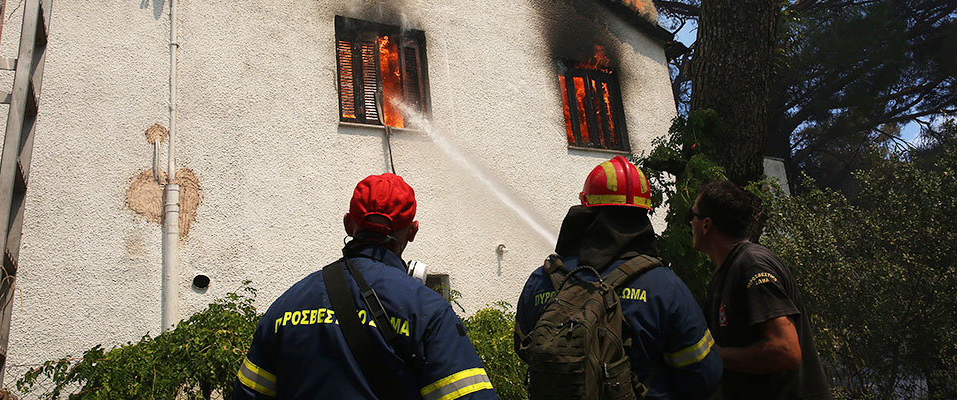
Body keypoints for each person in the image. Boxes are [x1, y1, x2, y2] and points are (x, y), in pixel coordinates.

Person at [234, 173, 498, 400]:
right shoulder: (428, 311)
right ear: (412, 232)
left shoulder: (286, 305)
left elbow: (248, 393)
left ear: (348, 224)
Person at [515, 156, 722, 399]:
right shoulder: (665, 287)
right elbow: (705, 375)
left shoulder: (542, 280)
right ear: (644, 216)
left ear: (585, 209)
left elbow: (524, 348)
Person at [691, 180, 832, 400]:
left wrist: (714, 355)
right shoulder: (726, 273)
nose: (690, 222)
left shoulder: (752, 266)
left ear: (706, 225)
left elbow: (785, 350)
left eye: (692, 215)